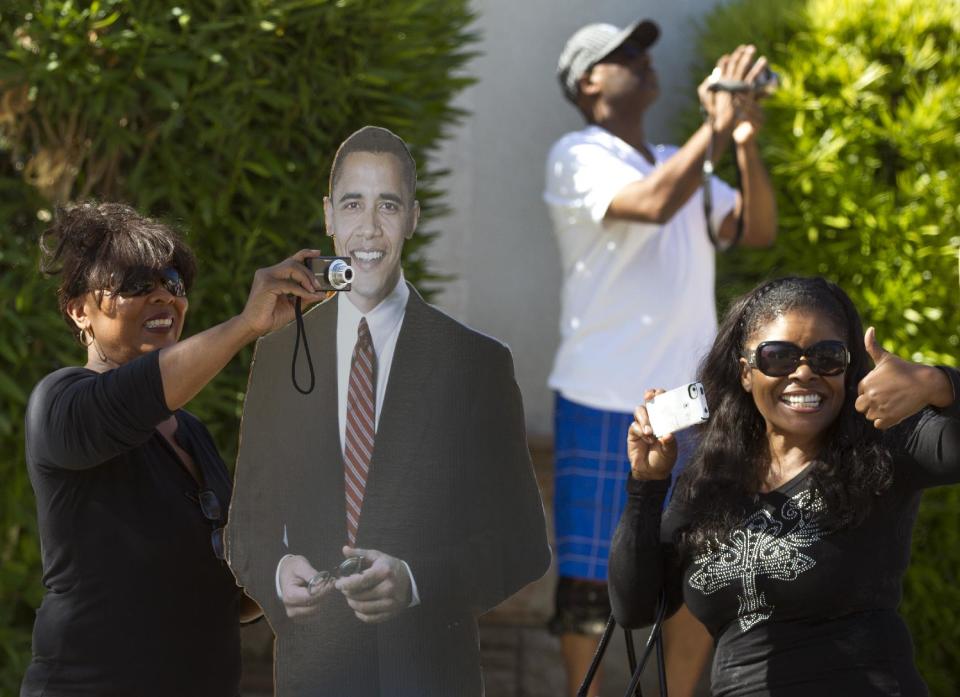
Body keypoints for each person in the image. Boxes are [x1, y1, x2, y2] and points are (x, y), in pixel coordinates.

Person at [225, 125, 551, 696]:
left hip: (431, 675)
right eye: (353, 204)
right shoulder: (279, 354)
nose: (369, 228)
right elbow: (246, 527)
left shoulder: (476, 363)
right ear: (329, 216)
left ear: (413, 218)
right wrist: (277, 575)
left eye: (388, 205)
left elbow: (522, 544)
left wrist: (416, 580)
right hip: (312, 676)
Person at [545, 17, 778, 695]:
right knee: (592, 577)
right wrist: (716, 121)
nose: (646, 59)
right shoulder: (577, 152)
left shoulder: (684, 161)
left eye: (646, 49)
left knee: (698, 568)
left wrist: (742, 142)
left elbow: (756, 229)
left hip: (692, 404)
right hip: (601, 395)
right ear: (589, 81)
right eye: (626, 53)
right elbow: (647, 205)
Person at [20, 202, 329, 697]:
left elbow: (229, 594)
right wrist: (248, 324)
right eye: (137, 285)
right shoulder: (59, 405)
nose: (164, 296)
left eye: (173, 284)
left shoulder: (191, 433)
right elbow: (137, 396)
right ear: (79, 310)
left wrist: (295, 561)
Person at [610, 276, 960, 695]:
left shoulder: (886, 444)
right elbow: (634, 607)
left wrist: (939, 384)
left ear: (848, 369)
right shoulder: (710, 483)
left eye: (827, 357)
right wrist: (646, 484)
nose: (805, 373)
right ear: (745, 373)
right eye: (779, 357)